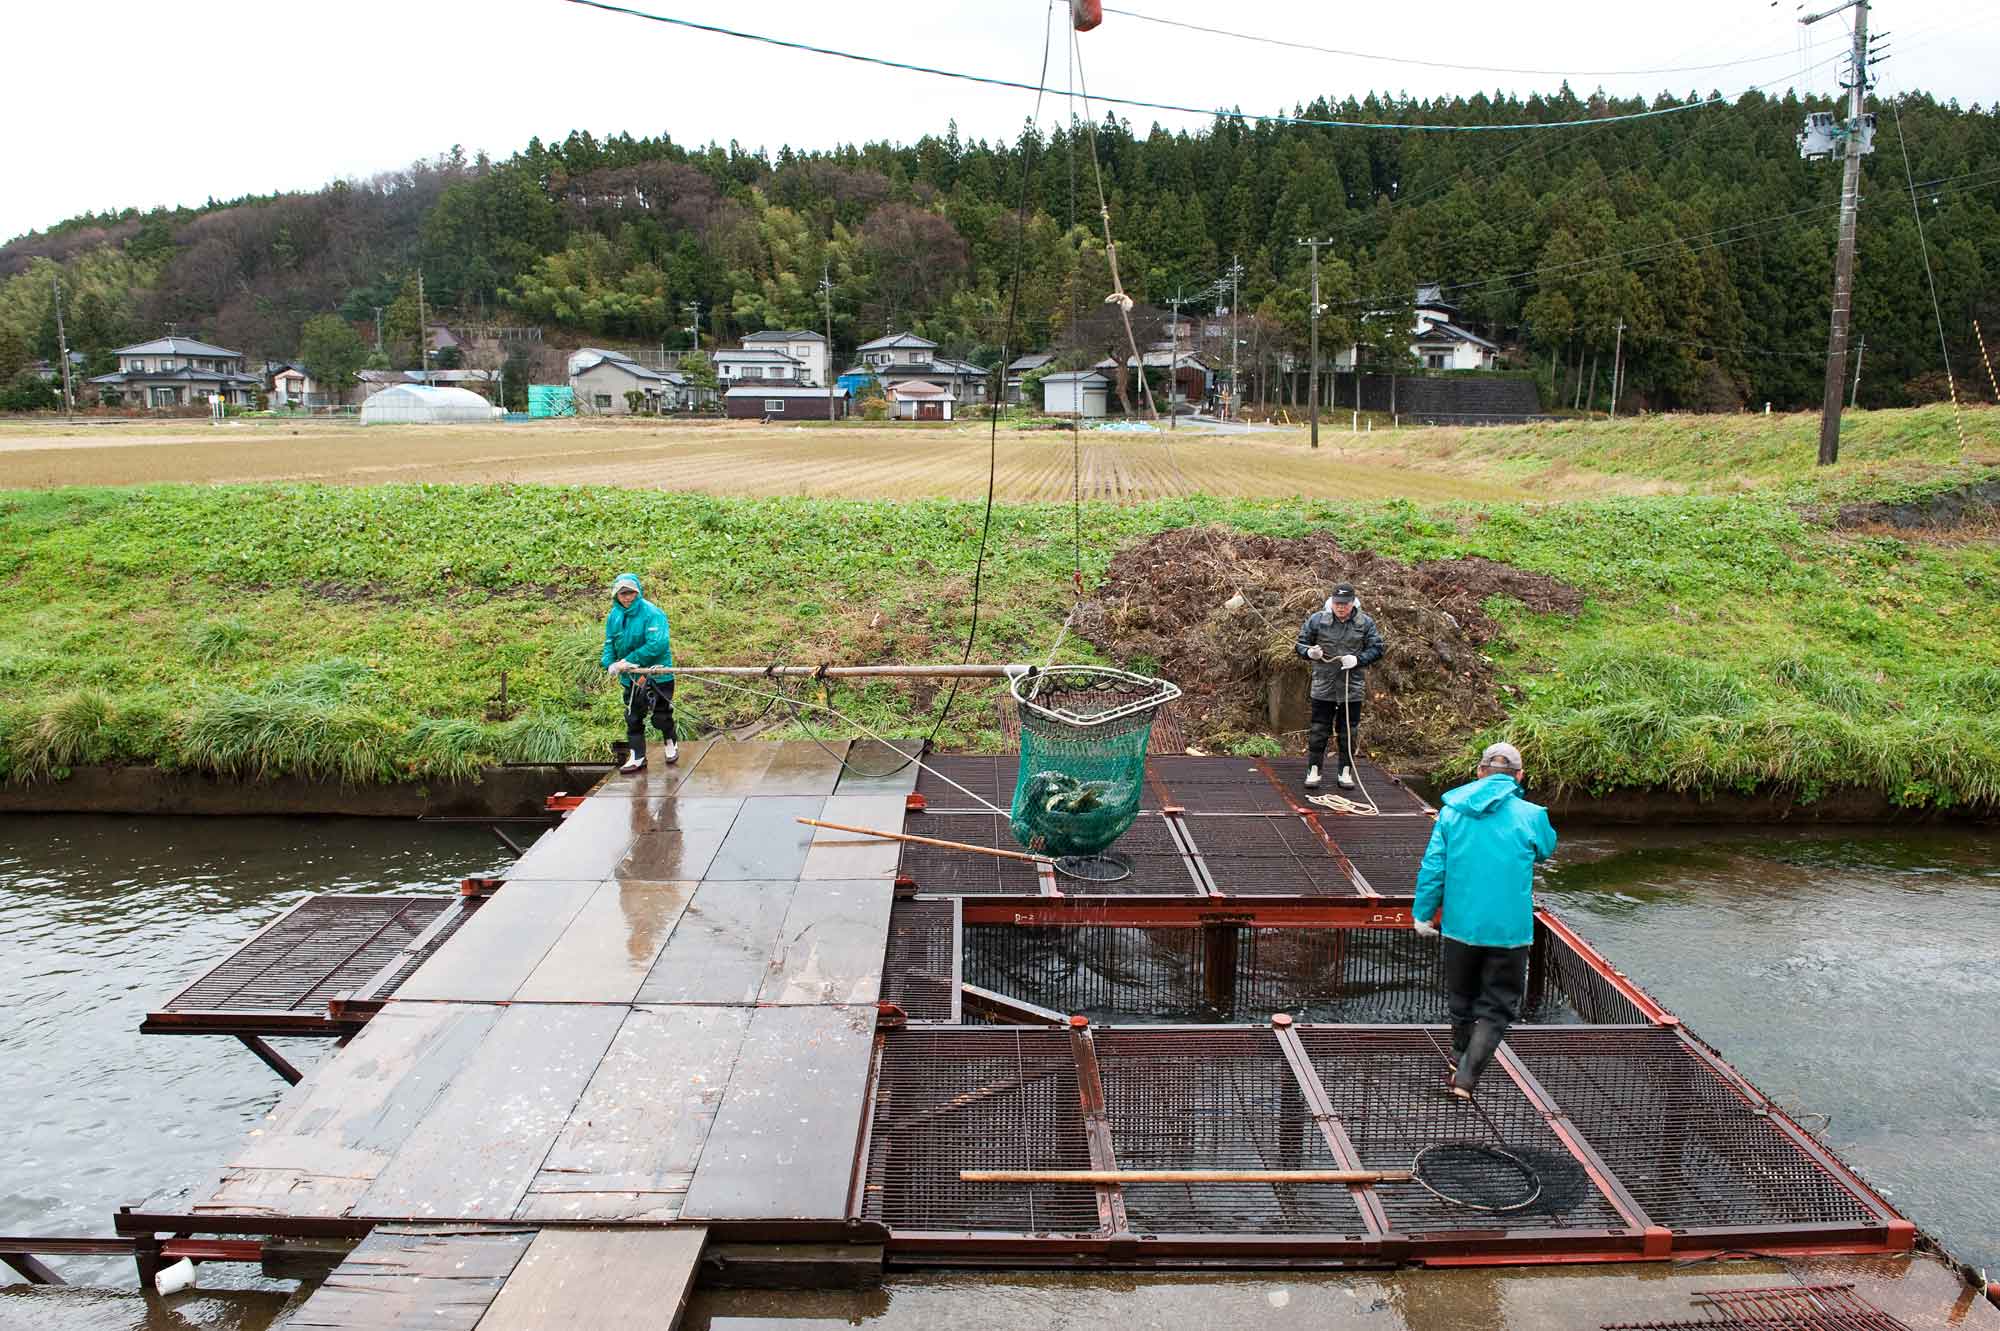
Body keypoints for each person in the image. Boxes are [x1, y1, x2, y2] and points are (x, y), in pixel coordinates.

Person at [1411, 741, 1558, 1099]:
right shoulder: (1532, 815)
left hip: (1461, 927)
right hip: (1509, 932)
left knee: (1461, 998)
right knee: (1497, 1007)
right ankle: (1465, 1078)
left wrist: (1422, 913)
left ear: (1479, 773)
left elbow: (1434, 868)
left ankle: (1457, 1056)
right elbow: (1546, 849)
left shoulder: (1450, 813)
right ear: (1519, 777)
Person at [1292, 583, 1386, 790]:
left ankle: (1345, 771)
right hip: (1323, 683)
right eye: (1337, 603)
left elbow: (1378, 648)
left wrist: (1358, 659)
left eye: (1345, 604)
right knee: (1318, 729)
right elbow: (1300, 644)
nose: (1341, 607)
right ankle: (1314, 769)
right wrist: (1309, 653)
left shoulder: (1365, 622)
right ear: (1331, 602)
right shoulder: (1318, 619)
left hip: (1351, 687)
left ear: (1353, 603)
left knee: (1348, 731)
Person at [601, 572, 676, 773]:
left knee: (661, 716)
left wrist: (629, 660)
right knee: (633, 716)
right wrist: (609, 663)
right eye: (622, 593)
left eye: (630, 593)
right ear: (616, 595)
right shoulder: (614, 616)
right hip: (632, 678)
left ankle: (670, 741)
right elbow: (610, 643)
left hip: (658, 674)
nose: (626, 597)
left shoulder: (653, 613)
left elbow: (657, 644)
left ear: (637, 592)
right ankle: (637, 755)